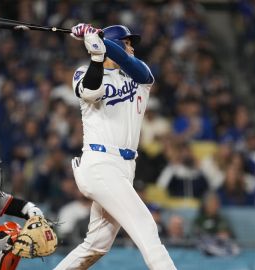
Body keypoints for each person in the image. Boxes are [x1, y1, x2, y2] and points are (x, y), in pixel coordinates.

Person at [54, 24, 176, 269]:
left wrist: (99, 40)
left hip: (124, 168)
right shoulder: (82, 72)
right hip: (100, 164)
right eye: (127, 42)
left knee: (97, 245)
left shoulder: (140, 75)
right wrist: (97, 55)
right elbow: (90, 92)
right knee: (146, 228)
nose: (131, 47)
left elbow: (128, 62)